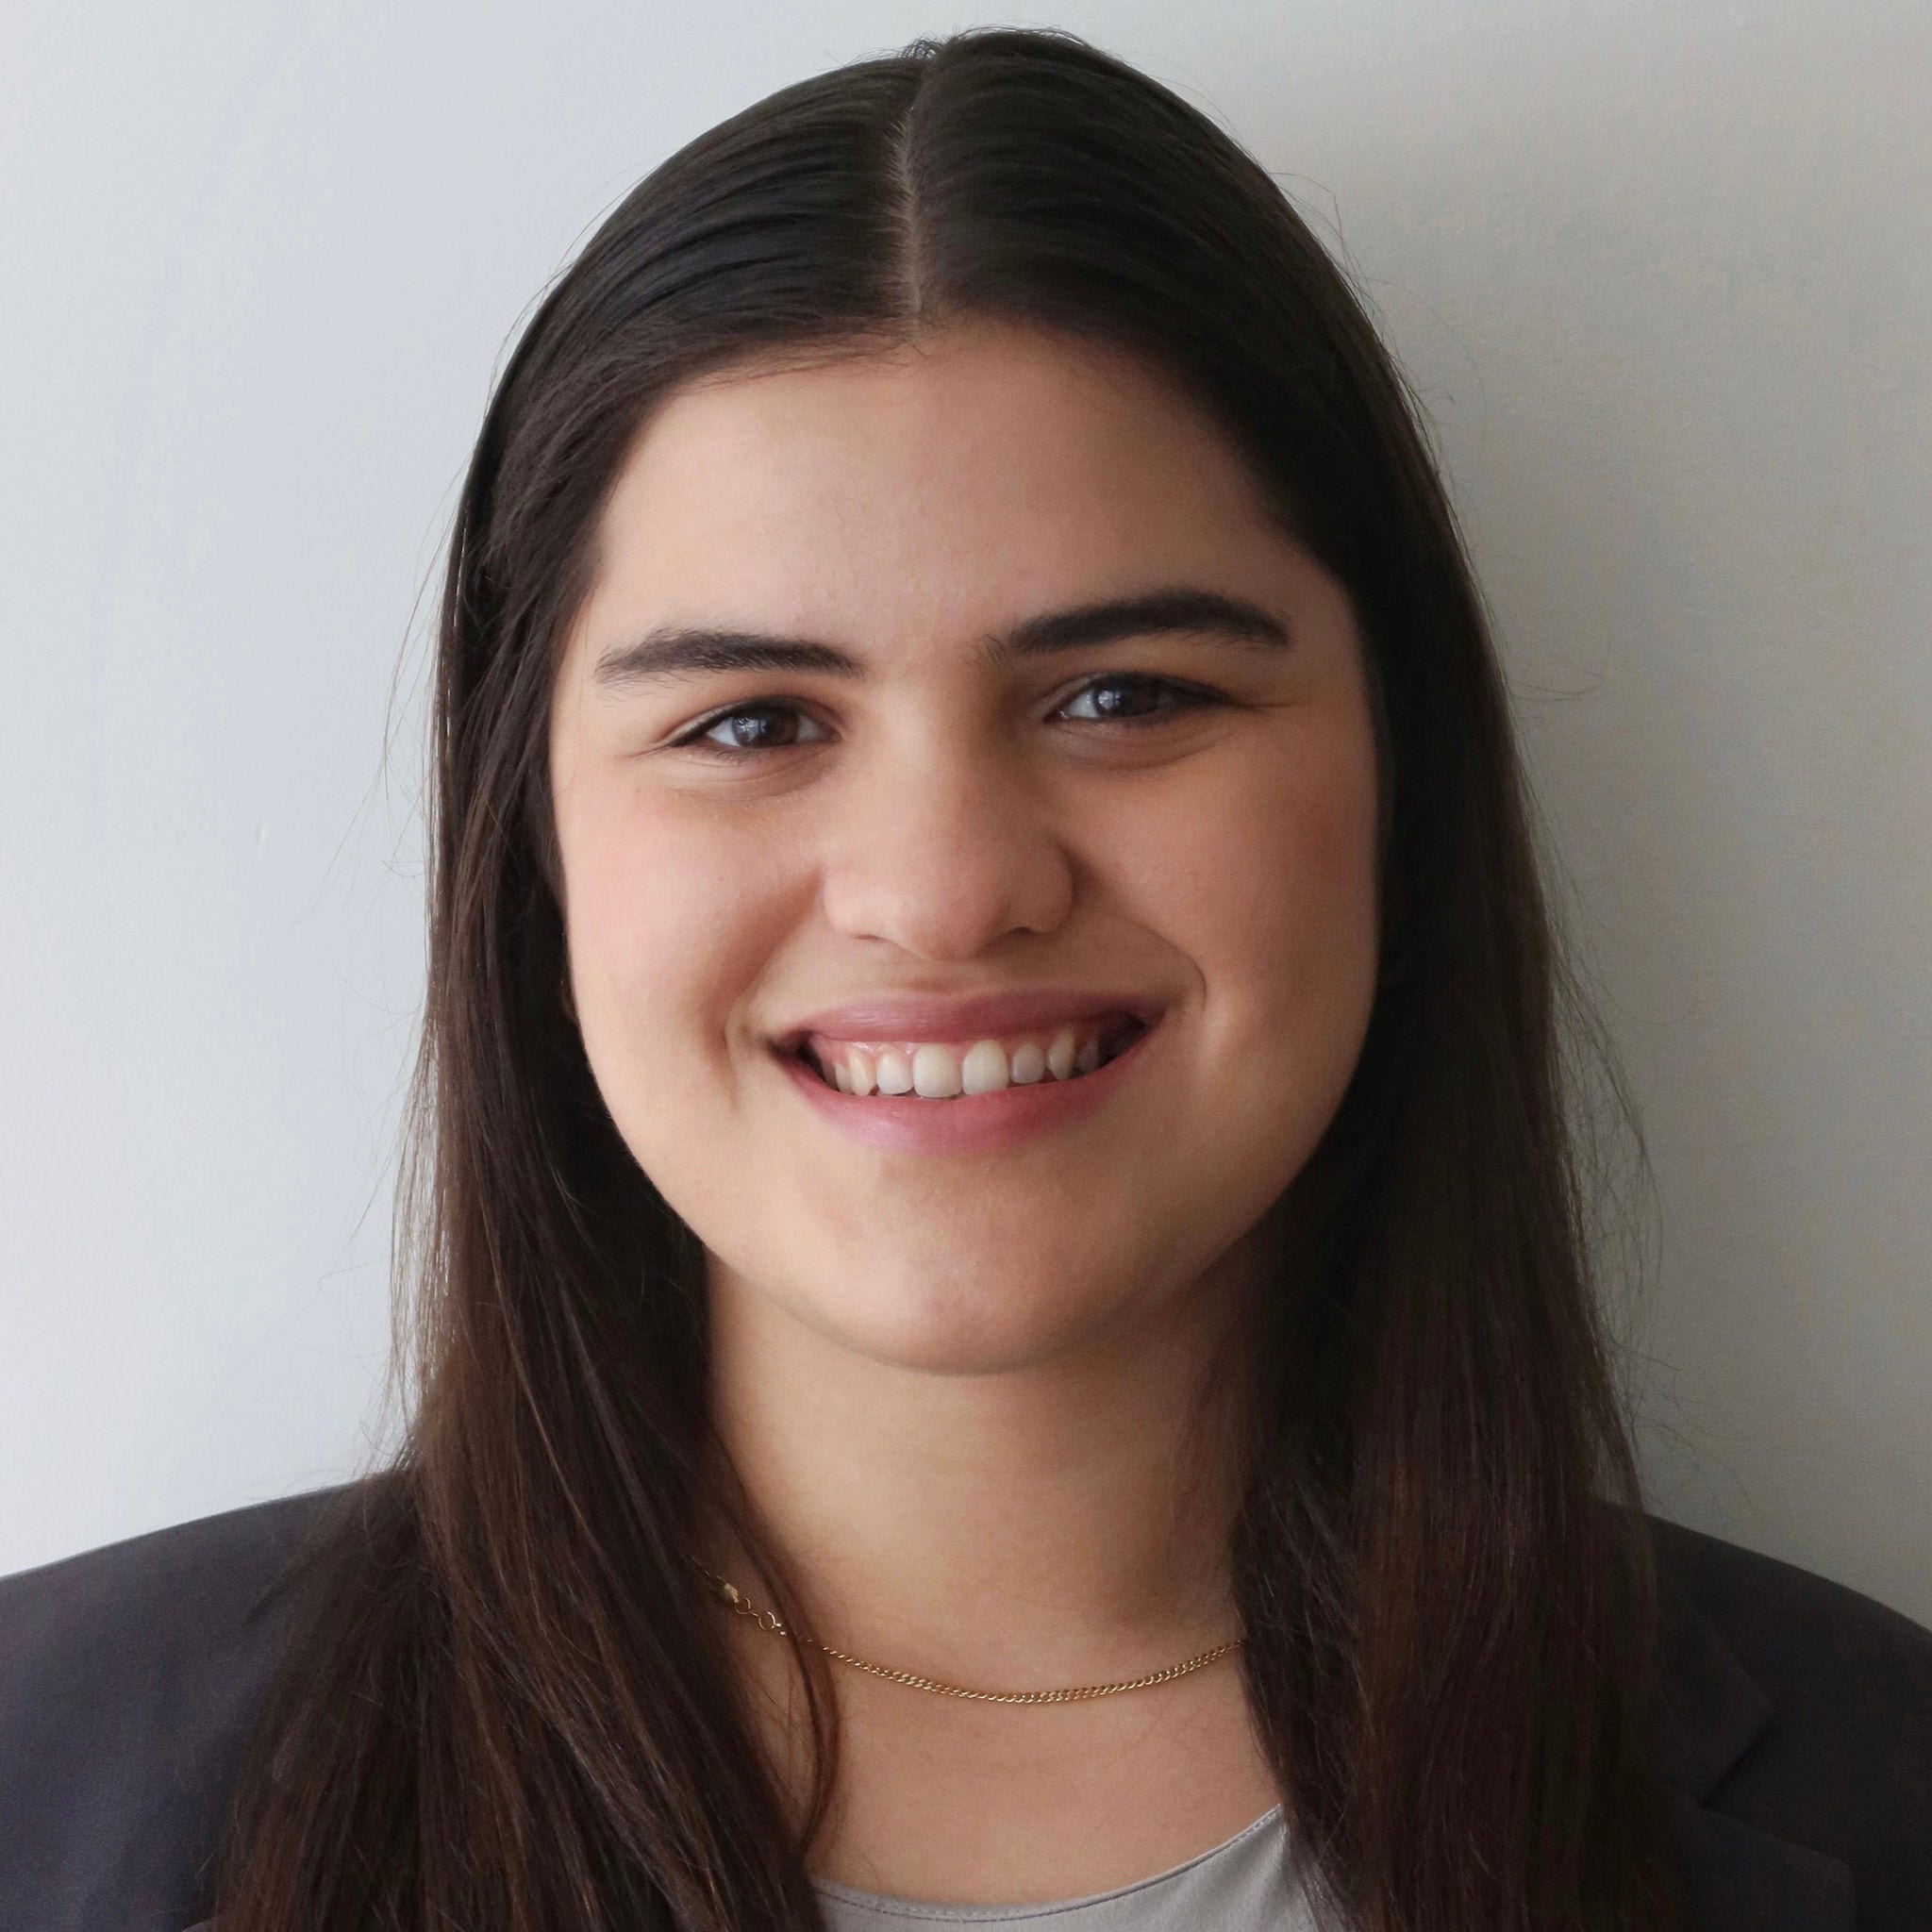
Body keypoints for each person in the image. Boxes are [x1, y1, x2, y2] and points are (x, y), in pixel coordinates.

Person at [2, 25, 1927, 1932]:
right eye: (753, 718)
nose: (941, 890)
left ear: (1399, 775)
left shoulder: (1884, 1787)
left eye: (1123, 695)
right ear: (534, 847)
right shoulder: (45, 1774)